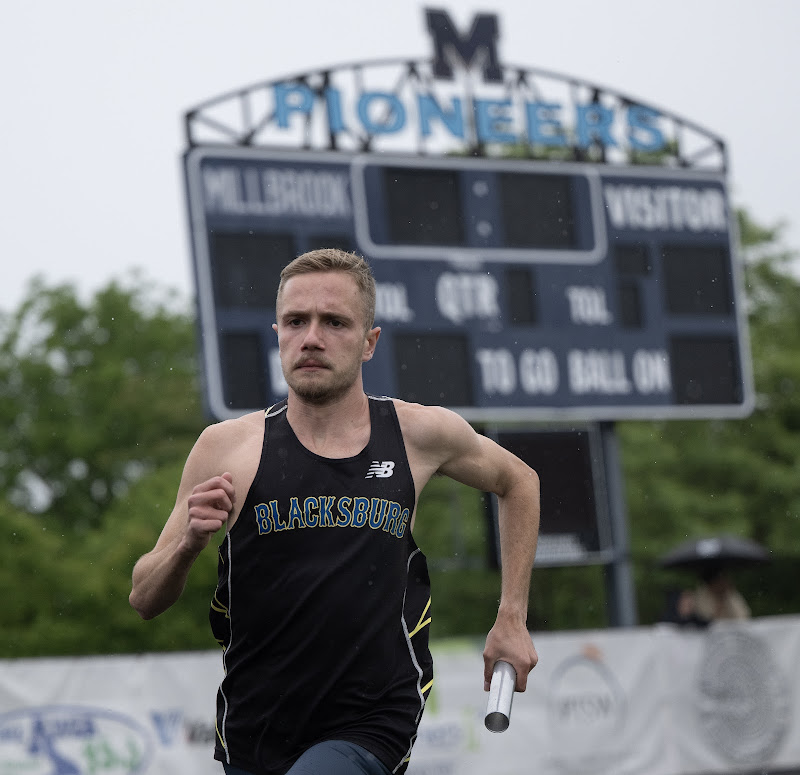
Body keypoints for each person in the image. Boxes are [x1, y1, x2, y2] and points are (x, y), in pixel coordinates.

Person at [129, 249, 540, 775]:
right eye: (297, 321)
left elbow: (519, 482)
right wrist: (188, 543)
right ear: (277, 332)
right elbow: (143, 597)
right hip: (255, 728)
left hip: (373, 719)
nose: (312, 338)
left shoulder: (417, 435)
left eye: (335, 322)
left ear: (369, 342)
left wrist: (512, 617)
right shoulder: (226, 448)